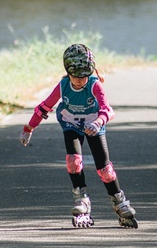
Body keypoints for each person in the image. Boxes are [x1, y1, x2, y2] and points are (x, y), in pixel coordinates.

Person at [19, 44, 138, 229]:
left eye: (84, 76)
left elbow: (108, 110)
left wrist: (98, 122)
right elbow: (45, 107)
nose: (80, 80)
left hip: (93, 126)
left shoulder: (94, 84)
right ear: (68, 72)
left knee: (105, 169)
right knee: (73, 161)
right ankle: (81, 199)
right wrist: (29, 128)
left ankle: (119, 201)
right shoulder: (64, 85)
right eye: (76, 76)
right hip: (70, 124)